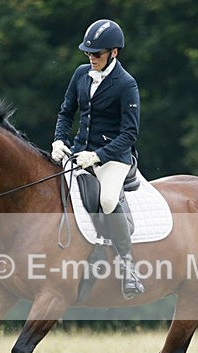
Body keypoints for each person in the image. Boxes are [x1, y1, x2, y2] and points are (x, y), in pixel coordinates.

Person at [52, 19, 145, 299]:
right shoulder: (81, 74)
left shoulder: (126, 84)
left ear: (113, 53)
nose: (92, 58)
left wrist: (98, 155)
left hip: (114, 158)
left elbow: (130, 133)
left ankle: (129, 268)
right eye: (89, 54)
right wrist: (59, 140)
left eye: (98, 54)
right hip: (80, 152)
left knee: (106, 200)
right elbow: (66, 112)